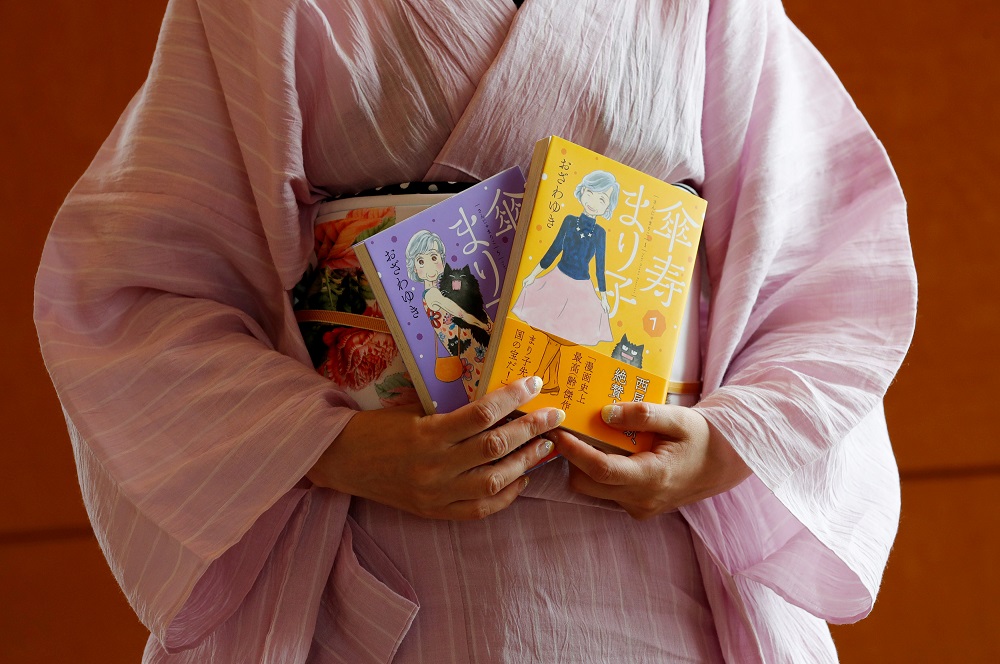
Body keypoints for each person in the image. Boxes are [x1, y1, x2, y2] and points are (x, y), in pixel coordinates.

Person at [33, 0, 917, 662]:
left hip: (653, 555)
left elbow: (822, 252)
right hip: (377, 541)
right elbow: (143, 287)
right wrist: (335, 446)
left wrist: (722, 448)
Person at [511, 169, 617, 393]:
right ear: (582, 191)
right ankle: (551, 382)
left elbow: (600, 268)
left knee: (556, 336)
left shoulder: (600, 233)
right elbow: (553, 251)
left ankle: (537, 380)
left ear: (608, 206)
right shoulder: (569, 221)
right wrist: (532, 275)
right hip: (557, 280)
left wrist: (604, 297)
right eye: (590, 193)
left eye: (601, 199)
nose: (593, 202)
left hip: (580, 289)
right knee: (555, 335)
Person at [406, 229, 493, 399]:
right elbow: (461, 314)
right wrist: (482, 325)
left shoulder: (434, 293)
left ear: (441, 259)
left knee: (480, 385)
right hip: (469, 345)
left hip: (465, 346)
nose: (429, 266)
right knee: (482, 382)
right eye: (421, 261)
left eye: (433, 258)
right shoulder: (433, 295)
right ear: (414, 268)